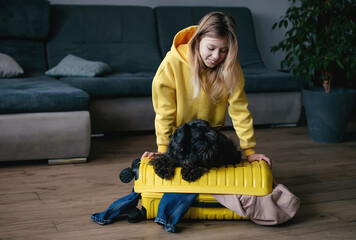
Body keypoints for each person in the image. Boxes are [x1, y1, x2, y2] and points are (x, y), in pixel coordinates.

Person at [142, 11, 271, 168]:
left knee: (220, 160)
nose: (216, 56)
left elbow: (240, 110)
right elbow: (164, 112)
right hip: (180, 135)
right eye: (211, 48)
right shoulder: (171, 65)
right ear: (198, 39)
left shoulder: (230, 68)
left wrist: (250, 151)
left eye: (223, 50)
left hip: (209, 135)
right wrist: (163, 151)